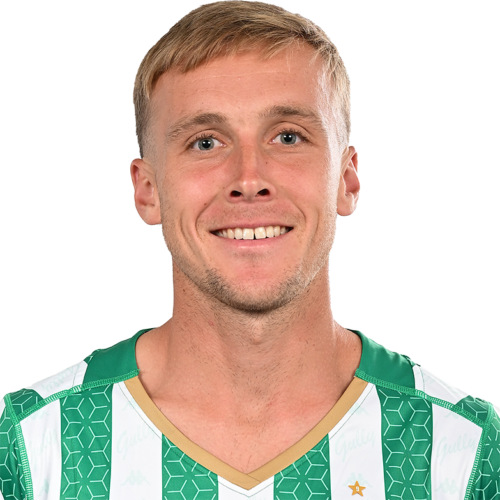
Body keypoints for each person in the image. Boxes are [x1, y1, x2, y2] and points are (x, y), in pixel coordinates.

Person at [1, 1, 498, 499]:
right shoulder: (27, 440)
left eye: (288, 136)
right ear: (147, 190)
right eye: (206, 142)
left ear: (347, 180)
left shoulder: (470, 448)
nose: (249, 178)